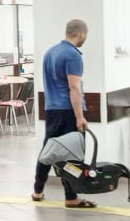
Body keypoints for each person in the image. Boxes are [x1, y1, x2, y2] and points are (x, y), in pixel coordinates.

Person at [32, 19, 96, 208]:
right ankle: (71, 197)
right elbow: (74, 88)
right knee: (73, 154)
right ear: (81, 34)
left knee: (48, 150)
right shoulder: (72, 55)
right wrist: (79, 116)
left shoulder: (50, 52)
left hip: (52, 110)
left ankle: (37, 191)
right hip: (69, 111)